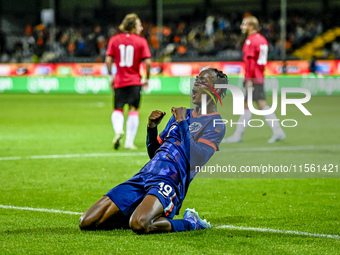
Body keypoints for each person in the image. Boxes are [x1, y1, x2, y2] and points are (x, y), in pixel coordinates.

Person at [79, 68, 228, 234]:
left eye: (203, 82)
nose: (195, 85)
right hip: (145, 174)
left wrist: (182, 123)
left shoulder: (215, 124)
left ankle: (190, 223)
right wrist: (152, 128)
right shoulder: (181, 113)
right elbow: (153, 153)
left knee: (140, 224)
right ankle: (138, 209)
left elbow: (197, 159)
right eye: (196, 80)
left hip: (170, 180)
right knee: (87, 221)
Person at [223, 16, 285, 144]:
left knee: (259, 105)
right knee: (251, 105)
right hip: (259, 75)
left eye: (244, 25)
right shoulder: (262, 40)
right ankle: (276, 132)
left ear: (251, 26)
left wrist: (249, 80)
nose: (242, 27)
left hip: (252, 78)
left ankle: (277, 131)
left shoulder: (250, 41)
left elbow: (250, 62)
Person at [106, 13, 152, 150]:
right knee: (133, 109)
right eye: (139, 25)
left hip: (119, 81)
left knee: (118, 108)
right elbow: (148, 62)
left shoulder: (114, 40)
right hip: (135, 81)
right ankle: (129, 142)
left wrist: (110, 77)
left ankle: (118, 130)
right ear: (132, 27)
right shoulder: (141, 41)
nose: (141, 27)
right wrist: (147, 78)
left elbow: (108, 60)